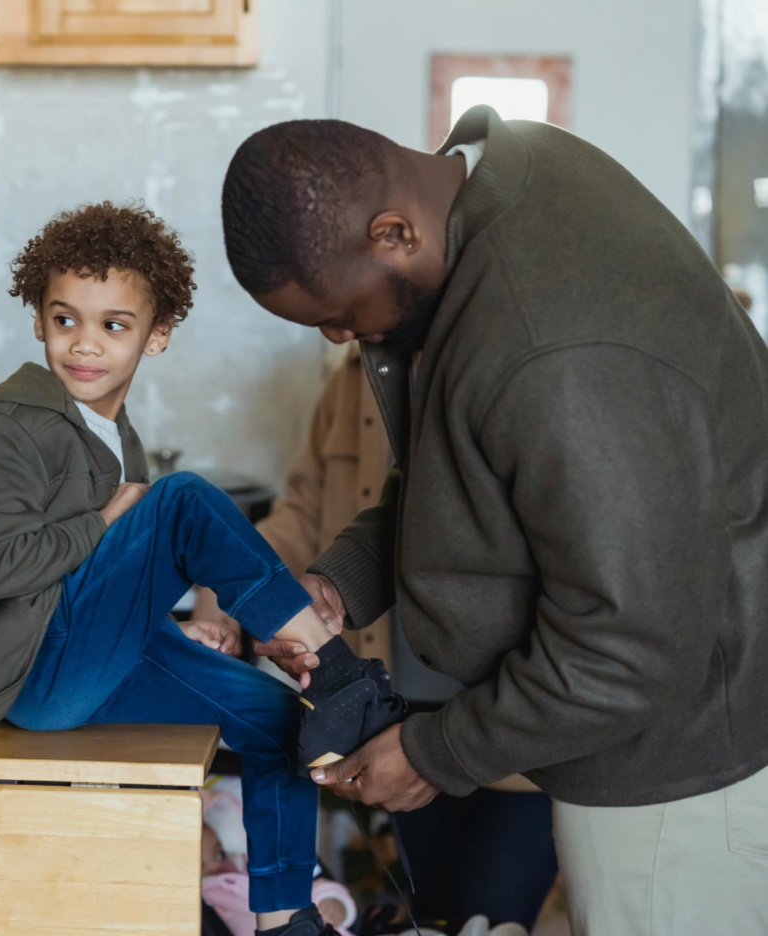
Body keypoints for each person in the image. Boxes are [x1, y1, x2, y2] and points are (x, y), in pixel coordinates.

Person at [219, 107, 768, 933]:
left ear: (395, 232)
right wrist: (341, 581)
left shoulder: (558, 348)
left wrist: (436, 755)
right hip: (640, 737)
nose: (338, 335)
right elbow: (475, 475)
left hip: (679, 782)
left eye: (336, 312)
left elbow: (631, 647)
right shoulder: (513, 174)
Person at [0, 201, 405, 936]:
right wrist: (109, 519)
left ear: (157, 336)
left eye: (113, 325)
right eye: (65, 320)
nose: (84, 345)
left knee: (286, 722)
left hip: (93, 660)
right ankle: (338, 670)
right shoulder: (2, 426)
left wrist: (208, 627)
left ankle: (285, 918)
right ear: (37, 321)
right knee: (182, 500)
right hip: (28, 670)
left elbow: (114, 586)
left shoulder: (118, 441)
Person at [199, 345, 560, 933]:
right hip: (394, 712)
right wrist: (229, 583)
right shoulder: (353, 378)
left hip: (511, 716)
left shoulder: (507, 362)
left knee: (492, 915)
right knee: (432, 910)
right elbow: (303, 511)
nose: (333, 328)